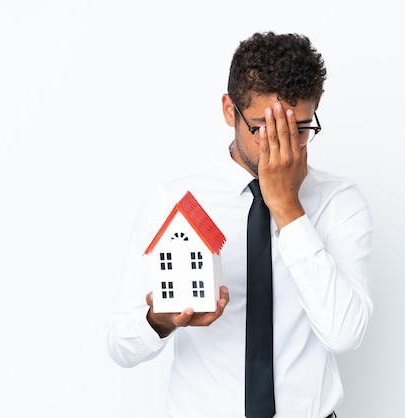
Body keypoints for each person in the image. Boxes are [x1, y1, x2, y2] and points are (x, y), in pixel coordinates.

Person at [106, 31, 374, 418]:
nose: (283, 145)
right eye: (264, 128)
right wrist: (157, 322)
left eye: (299, 128)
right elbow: (118, 344)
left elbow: (345, 333)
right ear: (230, 111)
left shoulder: (339, 201)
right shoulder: (176, 201)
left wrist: (286, 206)